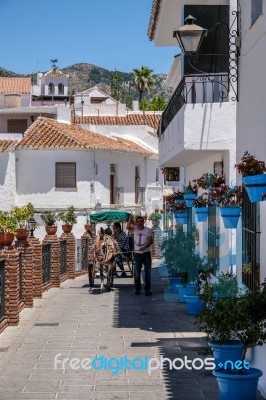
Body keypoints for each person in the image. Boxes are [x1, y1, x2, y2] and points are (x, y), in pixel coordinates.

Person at [126, 215, 153, 296]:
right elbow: (127, 227)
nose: (140, 223)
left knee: (147, 273)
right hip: (137, 254)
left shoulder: (148, 230)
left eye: (141, 221)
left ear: (143, 222)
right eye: (138, 221)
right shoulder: (134, 229)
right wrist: (130, 219)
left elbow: (150, 241)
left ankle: (147, 290)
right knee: (137, 273)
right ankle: (137, 289)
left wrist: (144, 247)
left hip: (146, 254)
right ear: (136, 222)